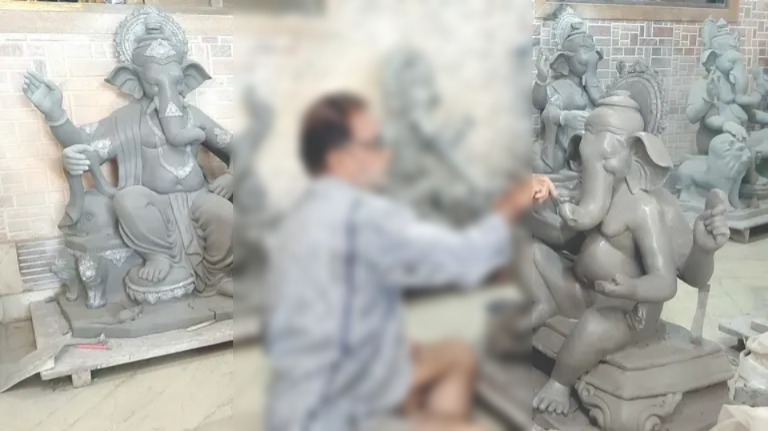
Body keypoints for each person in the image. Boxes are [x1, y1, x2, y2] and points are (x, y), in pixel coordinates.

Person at [265, 92, 557, 431]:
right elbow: (466, 257)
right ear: (340, 159)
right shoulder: (364, 216)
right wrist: (514, 201)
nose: (386, 154)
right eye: (375, 144)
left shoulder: (303, 211)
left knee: (457, 354)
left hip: (317, 380)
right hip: (331, 410)